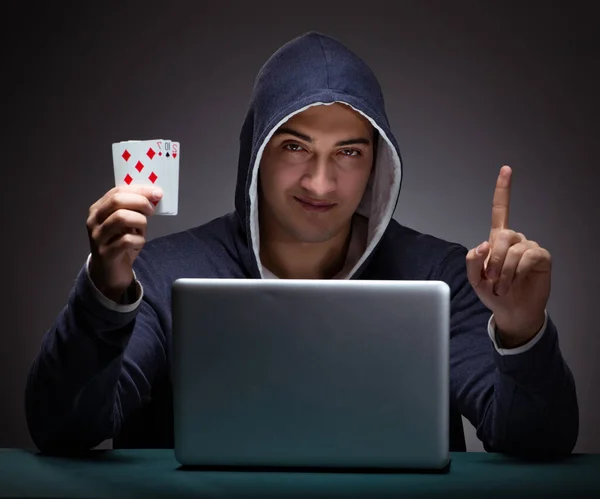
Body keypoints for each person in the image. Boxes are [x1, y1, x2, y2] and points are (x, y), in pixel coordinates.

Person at [25, 31, 578, 457]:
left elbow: (536, 442)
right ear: (256, 156)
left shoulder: (446, 273)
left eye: (349, 152)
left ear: (377, 164)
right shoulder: (160, 273)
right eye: (295, 147)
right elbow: (65, 430)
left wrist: (522, 330)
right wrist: (104, 288)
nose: (320, 183)